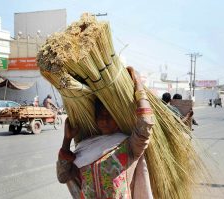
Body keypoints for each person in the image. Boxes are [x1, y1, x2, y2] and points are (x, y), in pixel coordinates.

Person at [56, 67, 155, 198]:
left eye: (109, 115)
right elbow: (63, 176)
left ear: (118, 117)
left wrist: (138, 84)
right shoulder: (84, 148)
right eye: (100, 115)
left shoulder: (129, 146)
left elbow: (146, 123)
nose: (104, 119)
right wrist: (66, 140)